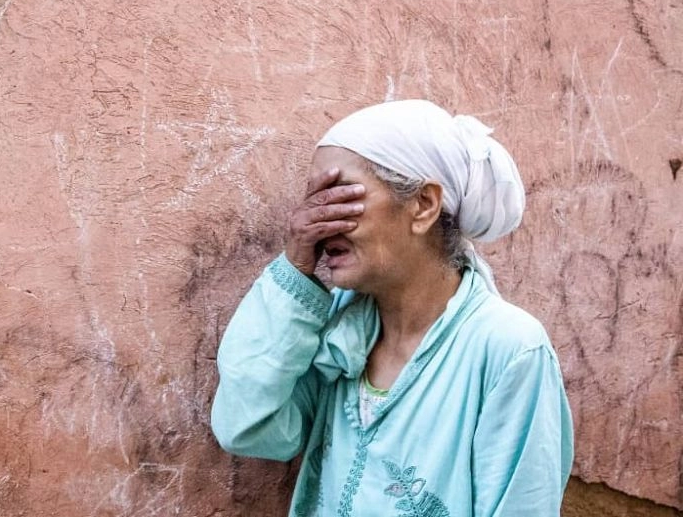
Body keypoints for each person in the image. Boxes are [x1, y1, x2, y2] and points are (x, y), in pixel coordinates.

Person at [211, 100, 573, 517]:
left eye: (338, 196)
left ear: (422, 206)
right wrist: (295, 268)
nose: (315, 221)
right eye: (313, 200)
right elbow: (247, 426)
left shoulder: (510, 350)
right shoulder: (343, 335)